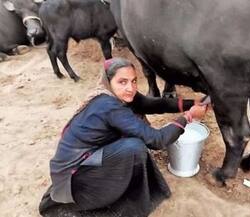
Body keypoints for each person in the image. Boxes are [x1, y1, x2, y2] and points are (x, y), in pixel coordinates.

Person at [39, 57, 208, 217]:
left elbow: (152, 104)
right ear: (108, 81)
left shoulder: (113, 95)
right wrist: (187, 117)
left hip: (84, 162)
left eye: (134, 80)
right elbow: (157, 140)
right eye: (122, 81)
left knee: (132, 144)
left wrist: (191, 103)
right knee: (134, 147)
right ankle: (100, 196)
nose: (130, 88)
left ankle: (117, 185)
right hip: (75, 180)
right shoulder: (109, 106)